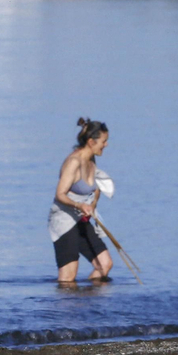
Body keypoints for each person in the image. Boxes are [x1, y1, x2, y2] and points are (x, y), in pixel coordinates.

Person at [49, 117, 115, 286]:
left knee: (104, 265)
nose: (106, 145)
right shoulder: (73, 162)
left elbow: (96, 186)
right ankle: (65, 309)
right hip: (64, 221)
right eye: (104, 141)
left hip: (80, 220)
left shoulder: (91, 159)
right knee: (68, 277)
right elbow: (60, 194)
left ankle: (88, 307)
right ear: (92, 142)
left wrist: (92, 205)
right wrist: (80, 205)